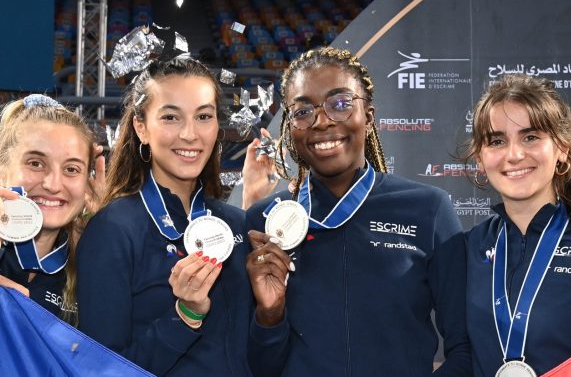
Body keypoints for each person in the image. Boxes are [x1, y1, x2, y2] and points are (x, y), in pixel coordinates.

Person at [245, 47, 472, 376]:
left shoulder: (428, 209)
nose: (321, 121)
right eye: (303, 111)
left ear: (368, 116)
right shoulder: (264, 223)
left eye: (340, 104)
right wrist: (269, 314)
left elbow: (464, 347)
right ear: (290, 126)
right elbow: (256, 367)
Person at [76, 55, 252, 376]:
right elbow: (103, 370)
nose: (190, 134)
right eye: (171, 117)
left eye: (204, 116)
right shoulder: (112, 231)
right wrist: (183, 316)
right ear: (141, 127)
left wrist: (273, 313)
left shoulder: (236, 225)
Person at [463, 74, 571, 376]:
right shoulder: (469, 247)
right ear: (480, 159)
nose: (514, 155)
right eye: (497, 141)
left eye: (531, 137)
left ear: (562, 148)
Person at [0, 94, 103, 325]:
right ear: (2, 170)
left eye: (72, 169)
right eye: (36, 163)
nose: (53, 185)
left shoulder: (91, 265)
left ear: (87, 183)